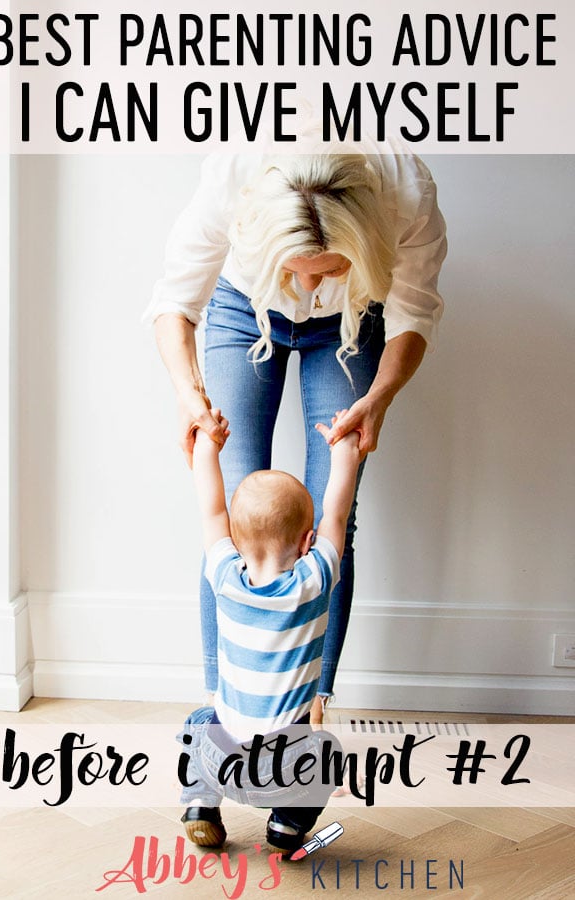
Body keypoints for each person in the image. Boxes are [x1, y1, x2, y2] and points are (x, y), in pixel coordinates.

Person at [145, 146, 447, 722]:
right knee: (236, 518)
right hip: (244, 306)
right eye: (294, 268)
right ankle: (223, 704)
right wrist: (189, 393)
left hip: (353, 318)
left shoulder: (408, 194)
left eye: (328, 269)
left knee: (334, 520)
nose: (307, 286)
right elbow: (176, 299)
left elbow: (415, 311)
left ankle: (309, 706)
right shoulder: (236, 173)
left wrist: (379, 398)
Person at [178, 414, 361, 855]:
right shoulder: (313, 583)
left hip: (221, 760)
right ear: (307, 542)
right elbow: (338, 514)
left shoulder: (224, 577)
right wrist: (344, 453)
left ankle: (201, 802)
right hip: (285, 772)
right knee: (327, 750)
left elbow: (212, 510)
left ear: (234, 541)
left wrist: (206, 448)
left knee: (198, 721)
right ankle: (287, 825)